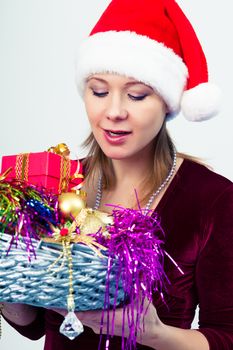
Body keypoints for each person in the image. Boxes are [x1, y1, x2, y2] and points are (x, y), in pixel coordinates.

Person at [1, 0, 233, 349]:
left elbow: (227, 336)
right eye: (98, 91)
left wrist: (153, 333)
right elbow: (34, 324)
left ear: (168, 102)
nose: (113, 112)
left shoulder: (212, 199)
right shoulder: (55, 182)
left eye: (137, 95)